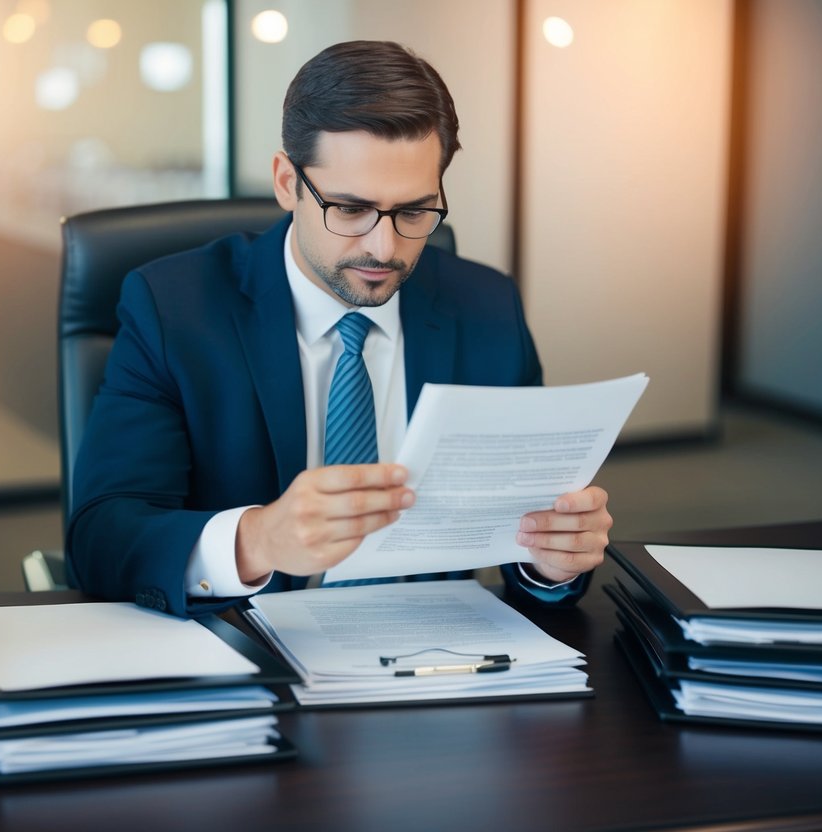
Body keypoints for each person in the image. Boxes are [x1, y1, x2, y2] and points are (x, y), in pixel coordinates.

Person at [67, 40, 612, 617]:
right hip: (247, 652)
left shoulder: (486, 306)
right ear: (286, 182)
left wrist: (547, 562)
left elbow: (519, 533)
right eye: (350, 210)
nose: (384, 247)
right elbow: (102, 537)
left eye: (413, 211)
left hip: (435, 656)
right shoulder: (174, 308)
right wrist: (257, 540)